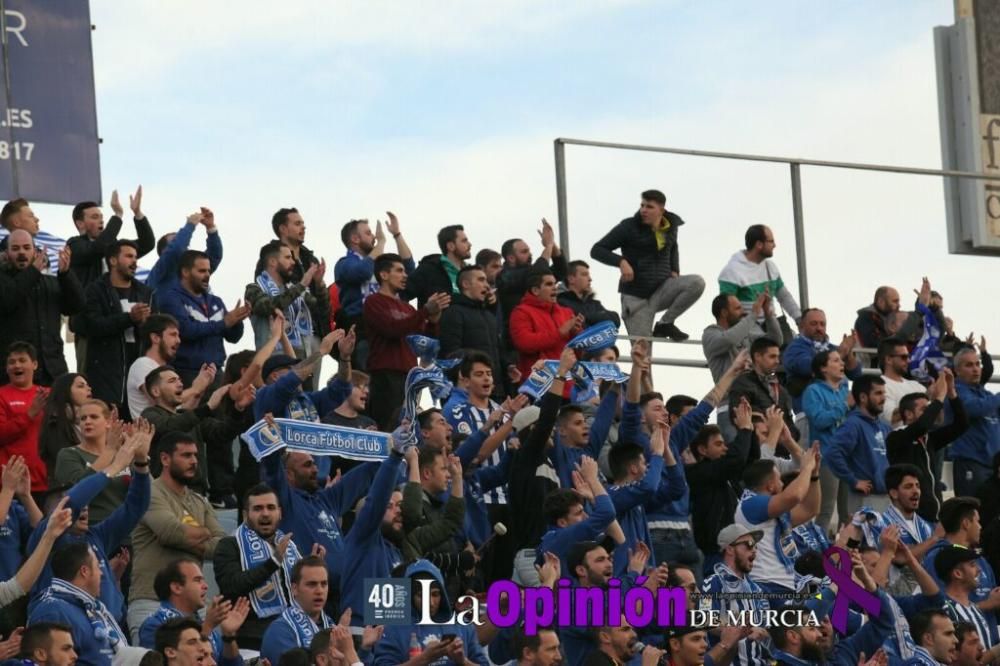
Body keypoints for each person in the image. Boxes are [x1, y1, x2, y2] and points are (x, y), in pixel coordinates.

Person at [29, 429, 152, 627]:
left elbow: (135, 507)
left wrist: (141, 463)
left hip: (109, 630)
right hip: (65, 632)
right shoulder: (47, 537)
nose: (84, 507)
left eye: (87, 504)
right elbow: (74, 501)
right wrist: (115, 466)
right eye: (79, 505)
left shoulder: (97, 536)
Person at [128, 433, 228, 641]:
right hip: (151, 601)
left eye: (195, 456)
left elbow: (222, 548)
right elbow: (170, 532)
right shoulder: (149, 491)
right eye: (186, 456)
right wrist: (204, 533)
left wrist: (187, 538)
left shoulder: (199, 501)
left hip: (193, 606)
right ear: (165, 459)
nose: (193, 462)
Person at [590, 189, 705, 341]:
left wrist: (675, 270)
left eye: (649, 207)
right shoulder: (628, 227)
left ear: (661, 210)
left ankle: (665, 323)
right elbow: (597, 250)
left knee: (696, 282)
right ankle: (644, 349)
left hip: (661, 290)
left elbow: (673, 247)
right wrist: (621, 262)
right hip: (636, 298)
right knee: (643, 354)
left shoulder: (671, 226)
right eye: (642, 205)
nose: (644, 210)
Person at [68, 190, 155, 371]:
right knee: (91, 379)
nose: (101, 220)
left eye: (102, 216)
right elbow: (96, 249)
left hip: (122, 323)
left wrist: (137, 214)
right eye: (94, 217)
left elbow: (147, 244)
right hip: (90, 329)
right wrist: (118, 216)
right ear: (80, 224)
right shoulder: (75, 245)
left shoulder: (111, 246)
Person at [363, 252, 449, 430]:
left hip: (410, 377)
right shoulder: (373, 301)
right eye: (399, 271)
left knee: (408, 428)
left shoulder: (408, 308)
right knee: (389, 426)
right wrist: (425, 311)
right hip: (385, 375)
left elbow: (424, 344)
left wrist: (433, 320)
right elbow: (391, 329)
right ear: (384, 275)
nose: (405, 276)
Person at [141, 366, 254, 499]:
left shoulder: (190, 417)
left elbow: (222, 433)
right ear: (155, 391)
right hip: (165, 495)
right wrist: (208, 407)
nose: (180, 384)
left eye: (180, 380)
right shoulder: (148, 415)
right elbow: (170, 427)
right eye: (172, 381)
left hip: (197, 494)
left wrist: (238, 409)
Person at [213, 484, 300, 650]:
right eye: (258, 508)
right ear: (246, 514)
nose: (265, 513)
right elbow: (231, 585)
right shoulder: (229, 545)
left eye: (271, 508)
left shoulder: (289, 544)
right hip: (251, 638)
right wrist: (273, 563)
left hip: (292, 633)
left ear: (280, 513)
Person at [74, 240, 152, 418]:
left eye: (135, 257)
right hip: (105, 373)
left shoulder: (146, 292)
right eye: (128, 256)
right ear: (113, 261)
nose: (134, 261)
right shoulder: (95, 290)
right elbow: (93, 325)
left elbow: (154, 331)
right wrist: (129, 318)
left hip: (138, 371)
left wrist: (145, 324)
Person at [0, 230, 85, 385]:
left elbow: (76, 305)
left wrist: (66, 275)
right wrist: (33, 271)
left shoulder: (50, 282)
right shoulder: (4, 281)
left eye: (26, 248)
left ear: (35, 251)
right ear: (6, 253)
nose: (21, 253)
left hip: (52, 369)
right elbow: (8, 300)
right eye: (16, 248)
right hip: (16, 374)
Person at [157, 250, 250, 388]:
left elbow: (233, 338)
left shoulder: (215, 301)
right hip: (187, 374)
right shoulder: (171, 298)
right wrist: (224, 322)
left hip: (216, 373)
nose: (207, 275)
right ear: (185, 272)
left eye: (208, 271)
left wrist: (237, 320)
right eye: (201, 271)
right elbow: (186, 330)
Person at [734, 450, 820, 594]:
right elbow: (795, 496)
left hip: (783, 584)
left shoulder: (775, 512)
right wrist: (806, 468)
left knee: (825, 603)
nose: (782, 484)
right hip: (765, 585)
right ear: (770, 486)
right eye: (779, 480)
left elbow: (810, 509)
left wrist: (814, 476)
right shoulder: (750, 504)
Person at [372, 559, 489, 666]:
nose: (431, 603)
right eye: (421, 595)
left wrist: (463, 661)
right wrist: (424, 658)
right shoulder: (393, 629)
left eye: (435, 594)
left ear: (443, 594)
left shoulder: (463, 626)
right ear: (410, 597)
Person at [28, 543, 128, 666]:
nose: (101, 574)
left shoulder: (90, 608)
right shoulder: (52, 611)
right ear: (84, 571)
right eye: (98, 567)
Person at [886, 371, 968, 522]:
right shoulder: (896, 437)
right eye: (924, 409)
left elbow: (961, 425)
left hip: (934, 516)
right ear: (909, 414)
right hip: (910, 517)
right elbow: (922, 425)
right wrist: (939, 397)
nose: (931, 413)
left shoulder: (928, 438)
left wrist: (952, 393)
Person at [334, 215, 414, 368]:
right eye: (369, 233)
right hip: (364, 333)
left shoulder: (381, 266)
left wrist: (397, 235)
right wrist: (382, 242)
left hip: (391, 330)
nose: (375, 237)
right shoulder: (344, 264)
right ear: (355, 239)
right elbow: (361, 272)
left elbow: (410, 269)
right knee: (369, 384)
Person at [686, 404, 761, 564]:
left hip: (738, 550)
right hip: (715, 554)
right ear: (702, 450)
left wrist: (750, 428)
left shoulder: (725, 472)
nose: (725, 449)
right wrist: (744, 430)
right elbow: (737, 459)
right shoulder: (698, 472)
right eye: (718, 444)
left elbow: (750, 460)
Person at [53, 401, 145, 525]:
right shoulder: (69, 454)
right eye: (83, 418)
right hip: (91, 528)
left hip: (125, 530)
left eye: (94, 417)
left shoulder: (122, 455)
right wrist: (109, 451)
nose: (87, 422)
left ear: (108, 422)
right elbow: (76, 490)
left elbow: (143, 493)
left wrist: (141, 456)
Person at [138, 559, 249, 659]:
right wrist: (207, 627)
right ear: (177, 588)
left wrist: (228, 636)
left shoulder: (206, 627)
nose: (206, 586)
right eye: (197, 580)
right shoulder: (154, 625)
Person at [245, 241, 327, 368]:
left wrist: (319, 284)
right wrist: (301, 286)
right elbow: (269, 307)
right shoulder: (254, 289)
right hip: (272, 361)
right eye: (288, 258)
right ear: (273, 262)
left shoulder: (296, 291)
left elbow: (321, 310)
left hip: (301, 358)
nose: (293, 262)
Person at [126, 315, 216, 426]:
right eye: (173, 334)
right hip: (151, 439)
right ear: (155, 338)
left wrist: (200, 390)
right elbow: (163, 399)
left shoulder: (168, 372)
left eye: (178, 336)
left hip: (171, 435)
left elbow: (181, 412)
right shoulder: (142, 364)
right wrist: (195, 389)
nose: (178, 340)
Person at [700, 525, 770, 666]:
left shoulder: (757, 589)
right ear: (730, 549)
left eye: (756, 546)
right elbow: (706, 621)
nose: (754, 551)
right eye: (749, 545)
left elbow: (765, 628)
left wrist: (764, 632)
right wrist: (741, 628)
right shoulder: (712, 583)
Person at [271, 207, 333, 359]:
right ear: (283, 229)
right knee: (289, 382)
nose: (303, 227)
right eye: (297, 223)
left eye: (303, 223)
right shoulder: (271, 258)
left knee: (312, 383)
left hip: (314, 337)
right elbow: (270, 299)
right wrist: (302, 284)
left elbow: (322, 304)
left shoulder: (310, 260)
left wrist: (319, 285)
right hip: (287, 336)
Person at [826, 376, 892, 514]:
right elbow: (832, 453)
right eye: (878, 393)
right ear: (863, 397)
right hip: (863, 498)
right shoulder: (853, 424)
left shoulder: (885, 427)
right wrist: (853, 480)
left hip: (885, 496)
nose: (883, 398)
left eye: (884, 393)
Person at [496, 219, 568, 347]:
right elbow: (538, 270)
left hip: (542, 334)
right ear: (511, 258)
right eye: (524, 252)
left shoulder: (531, 271)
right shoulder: (504, 276)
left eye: (529, 251)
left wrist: (552, 244)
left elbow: (561, 271)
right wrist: (549, 246)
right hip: (516, 345)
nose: (530, 255)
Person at [802, 349, 850, 532]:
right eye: (836, 361)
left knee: (848, 513)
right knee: (825, 510)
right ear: (823, 368)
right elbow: (820, 420)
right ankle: (819, 552)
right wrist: (846, 406)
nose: (842, 364)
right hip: (827, 458)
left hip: (848, 457)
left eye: (841, 360)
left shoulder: (846, 390)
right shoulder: (812, 391)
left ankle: (847, 553)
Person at [780, 308, 862, 412]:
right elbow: (809, 367)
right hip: (810, 414)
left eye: (822, 324)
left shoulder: (833, 349)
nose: (819, 328)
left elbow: (856, 374)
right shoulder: (794, 348)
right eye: (814, 324)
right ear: (801, 326)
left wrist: (848, 354)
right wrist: (840, 354)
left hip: (841, 410)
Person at [508, 269, 582, 381]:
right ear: (536, 290)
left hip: (568, 383)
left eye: (555, 284)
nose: (554, 287)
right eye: (549, 284)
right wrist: (560, 332)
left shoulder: (566, 312)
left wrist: (577, 333)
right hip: (539, 383)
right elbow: (524, 343)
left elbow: (578, 351)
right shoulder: (521, 312)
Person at [438, 265, 504, 389]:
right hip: (469, 390)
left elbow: (498, 349)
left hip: (494, 388)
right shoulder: (454, 312)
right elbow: (450, 353)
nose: (487, 285)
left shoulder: (489, 315)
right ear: (466, 284)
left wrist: (509, 366)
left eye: (486, 280)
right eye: (481, 280)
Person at [718, 224, 802, 322]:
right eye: (771, 241)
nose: (774, 245)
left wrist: (800, 320)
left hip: (772, 326)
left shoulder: (770, 267)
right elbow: (727, 311)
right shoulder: (731, 272)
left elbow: (784, 297)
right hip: (747, 331)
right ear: (759, 244)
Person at [259, 556, 333, 665]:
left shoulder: (332, 625)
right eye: (312, 584)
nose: (319, 591)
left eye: (324, 584)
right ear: (294, 589)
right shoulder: (279, 632)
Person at [922, 497, 996, 602]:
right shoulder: (937, 559)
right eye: (977, 521)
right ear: (966, 523)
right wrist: (987, 605)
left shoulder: (980, 559)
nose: (980, 527)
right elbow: (942, 606)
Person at [146, 208, 223, 308]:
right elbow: (176, 249)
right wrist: (190, 225)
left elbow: (213, 256)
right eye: (176, 241)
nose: (184, 248)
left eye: (186, 245)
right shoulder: (159, 272)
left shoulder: (192, 272)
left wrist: (211, 228)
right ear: (164, 252)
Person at [949, 346, 1000, 496]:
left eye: (978, 364)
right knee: (972, 512)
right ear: (957, 370)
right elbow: (974, 408)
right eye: (969, 365)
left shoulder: (987, 395)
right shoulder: (956, 391)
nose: (976, 369)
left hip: (992, 465)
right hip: (970, 462)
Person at [726, 337, 799, 441]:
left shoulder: (781, 390)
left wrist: (791, 436)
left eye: (778, 357)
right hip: (757, 451)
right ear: (757, 356)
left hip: (783, 453)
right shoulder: (743, 383)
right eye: (772, 356)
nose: (778, 361)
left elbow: (789, 421)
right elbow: (738, 417)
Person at [0, 342, 50, 491]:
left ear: (34, 364)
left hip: (46, 481)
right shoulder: (1, 395)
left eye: (22, 360)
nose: (16, 366)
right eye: (12, 362)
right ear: (6, 368)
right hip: (10, 484)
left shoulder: (49, 395)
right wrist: (29, 415)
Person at [702, 292, 780, 385]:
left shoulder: (746, 333)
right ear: (724, 313)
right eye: (738, 308)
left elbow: (774, 341)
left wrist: (768, 314)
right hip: (731, 397)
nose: (743, 312)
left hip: (755, 394)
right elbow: (729, 340)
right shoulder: (710, 334)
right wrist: (754, 314)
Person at [937, 545, 1000, 650]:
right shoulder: (947, 610)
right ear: (958, 573)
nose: (979, 569)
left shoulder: (974, 609)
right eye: (972, 565)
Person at [38, 373, 92, 482]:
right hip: (64, 492)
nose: (89, 388)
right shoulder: (55, 423)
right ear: (65, 391)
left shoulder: (93, 422)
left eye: (88, 385)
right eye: (81, 386)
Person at [404, 223, 470, 306]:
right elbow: (402, 295)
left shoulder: (472, 273)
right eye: (464, 241)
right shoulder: (428, 269)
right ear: (451, 246)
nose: (469, 244)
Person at [854, 281, 927, 349]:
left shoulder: (889, 317)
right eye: (895, 301)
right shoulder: (865, 319)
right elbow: (875, 344)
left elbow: (911, 323)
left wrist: (922, 305)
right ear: (881, 302)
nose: (899, 306)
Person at [876, 338, 927, 427]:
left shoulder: (916, 385)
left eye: (908, 356)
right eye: (903, 357)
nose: (908, 361)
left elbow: (938, 420)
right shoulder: (880, 386)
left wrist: (939, 395)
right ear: (888, 359)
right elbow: (891, 417)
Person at [556, 260, 621, 329]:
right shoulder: (560, 303)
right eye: (584, 274)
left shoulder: (594, 304)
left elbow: (615, 319)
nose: (590, 279)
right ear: (571, 279)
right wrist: (597, 318)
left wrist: (585, 317)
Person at [581, 615, 660, 666]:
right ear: (605, 637)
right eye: (625, 630)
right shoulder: (596, 662)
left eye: (633, 629)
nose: (634, 634)